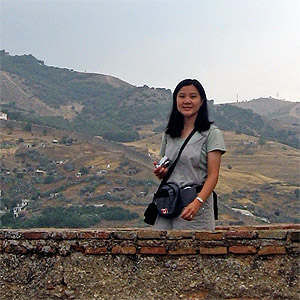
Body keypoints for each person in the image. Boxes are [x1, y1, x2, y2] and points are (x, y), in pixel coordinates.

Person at [153, 79, 226, 230]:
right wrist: (161, 172)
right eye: (182, 96)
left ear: (201, 102)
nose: (187, 101)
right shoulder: (169, 134)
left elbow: (213, 175)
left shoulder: (211, 134)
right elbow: (167, 169)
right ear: (176, 100)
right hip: (169, 204)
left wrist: (197, 202)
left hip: (194, 208)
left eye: (193, 96)